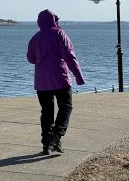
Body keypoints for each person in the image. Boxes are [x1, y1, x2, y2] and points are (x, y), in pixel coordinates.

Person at [27, 9, 85, 155]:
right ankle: (57, 135)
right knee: (66, 107)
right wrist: (79, 76)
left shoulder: (35, 38)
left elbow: (31, 58)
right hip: (60, 79)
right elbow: (69, 57)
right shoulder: (60, 34)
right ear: (54, 20)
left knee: (46, 112)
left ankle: (46, 144)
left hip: (42, 81)